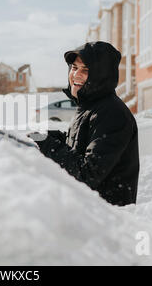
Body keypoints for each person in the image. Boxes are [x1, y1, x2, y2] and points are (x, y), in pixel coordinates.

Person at [31, 41, 139, 206]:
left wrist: (48, 145)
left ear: (102, 76)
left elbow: (87, 173)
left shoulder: (112, 113)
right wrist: (51, 137)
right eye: (74, 68)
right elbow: (83, 143)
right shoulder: (90, 106)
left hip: (108, 219)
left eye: (86, 70)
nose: (76, 75)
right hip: (90, 212)